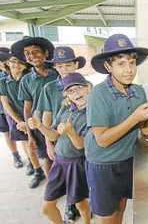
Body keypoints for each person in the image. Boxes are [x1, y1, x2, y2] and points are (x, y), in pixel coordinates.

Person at [85, 34, 148, 224]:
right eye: (121, 64)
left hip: (127, 159)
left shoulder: (138, 91)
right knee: (107, 216)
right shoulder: (98, 94)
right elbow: (102, 140)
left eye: (132, 63)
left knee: (121, 207)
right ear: (109, 67)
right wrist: (134, 117)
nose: (129, 70)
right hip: (104, 164)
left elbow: (146, 131)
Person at [28, 73, 91, 224]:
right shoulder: (66, 109)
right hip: (59, 161)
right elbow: (53, 136)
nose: (76, 93)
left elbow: (81, 145)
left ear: (88, 88)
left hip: (77, 163)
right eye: (70, 91)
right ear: (67, 96)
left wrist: (70, 132)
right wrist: (40, 126)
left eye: (79, 88)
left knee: (81, 204)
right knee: (47, 207)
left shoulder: (93, 112)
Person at [36, 46, 86, 222]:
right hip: (59, 143)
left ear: (76, 64)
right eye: (60, 66)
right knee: (58, 186)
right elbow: (47, 117)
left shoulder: (84, 86)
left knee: (80, 194)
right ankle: (71, 206)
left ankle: (75, 207)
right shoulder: (49, 88)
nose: (64, 70)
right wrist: (49, 143)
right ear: (55, 67)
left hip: (79, 148)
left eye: (68, 65)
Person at [11, 36, 58, 188]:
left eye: (36, 52)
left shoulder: (57, 73)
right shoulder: (26, 80)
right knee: (47, 158)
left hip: (60, 124)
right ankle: (54, 188)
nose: (32, 56)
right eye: (28, 53)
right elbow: (27, 108)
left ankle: (72, 197)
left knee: (65, 159)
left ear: (45, 53)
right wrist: (30, 136)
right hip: (40, 127)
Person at [0, 48, 25, 168]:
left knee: (20, 132)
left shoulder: (15, 73)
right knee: (6, 132)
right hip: (3, 108)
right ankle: (15, 155)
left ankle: (32, 161)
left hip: (14, 107)